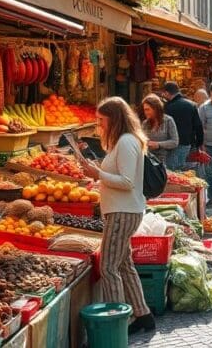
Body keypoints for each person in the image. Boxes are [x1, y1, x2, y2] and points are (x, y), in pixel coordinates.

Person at [78, 97, 153, 334]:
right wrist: (97, 175)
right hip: (121, 210)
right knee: (124, 264)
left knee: (109, 267)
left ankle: (120, 320)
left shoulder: (127, 142)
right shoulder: (122, 141)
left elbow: (127, 181)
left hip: (123, 211)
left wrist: (98, 173)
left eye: (101, 120)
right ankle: (143, 314)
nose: (98, 124)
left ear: (115, 118)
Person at [162, 82, 204, 170]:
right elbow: (198, 126)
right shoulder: (192, 105)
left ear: (167, 93)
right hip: (189, 144)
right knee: (189, 173)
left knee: (174, 172)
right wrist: (198, 144)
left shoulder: (167, 107)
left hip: (172, 146)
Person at [140, 94, 179, 168]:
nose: (145, 112)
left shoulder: (168, 121)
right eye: (144, 110)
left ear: (156, 108)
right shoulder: (145, 123)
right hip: (149, 161)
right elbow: (141, 140)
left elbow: (175, 142)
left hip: (165, 161)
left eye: (147, 109)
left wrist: (158, 144)